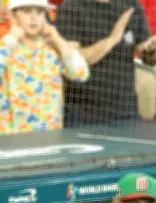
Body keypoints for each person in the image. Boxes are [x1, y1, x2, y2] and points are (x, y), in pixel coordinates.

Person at [55, 0, 156, 126]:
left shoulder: (131, 5)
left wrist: (152, 50)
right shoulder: (71, 7)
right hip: (82, 116)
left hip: (126, 113)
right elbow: (72, 61)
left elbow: (150, 58)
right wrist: (112, 40)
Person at [0, 0, 89, 134]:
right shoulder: (6, 48)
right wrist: (11, 39)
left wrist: (58, 39)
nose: (34, 18)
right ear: (13, 16)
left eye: (39, 12)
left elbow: (81, 75)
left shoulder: (53, 49)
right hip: (13, 139)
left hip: (50, 136)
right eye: (26, 11)